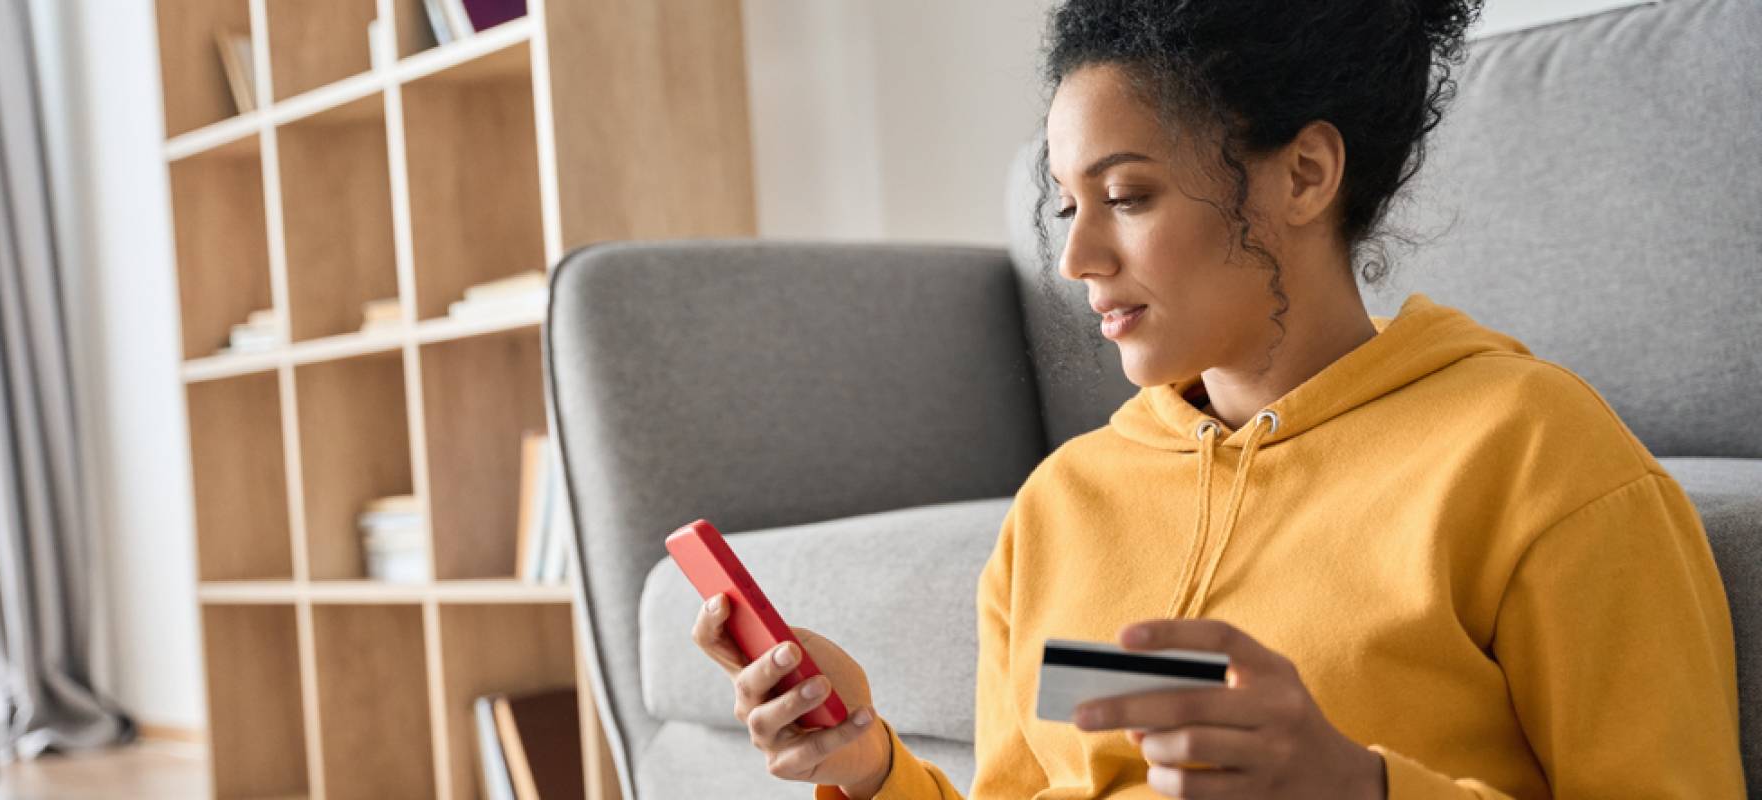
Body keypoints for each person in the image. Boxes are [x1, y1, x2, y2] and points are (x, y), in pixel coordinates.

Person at [690, 0, 1747, 796]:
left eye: (1127, 196)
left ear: (1303, 174)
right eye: (1066, 204)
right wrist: (867, 755)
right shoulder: (1063, 505)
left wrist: (1359, 785)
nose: (1075, 257)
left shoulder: (1537, 458)